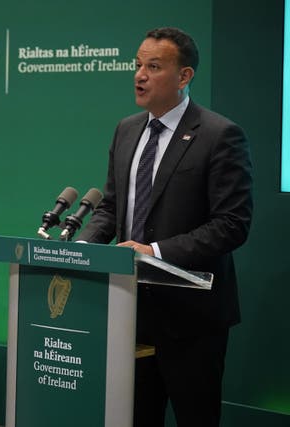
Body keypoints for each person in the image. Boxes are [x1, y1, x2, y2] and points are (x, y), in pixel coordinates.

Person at [76, 27, 253, 426]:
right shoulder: (126, 129)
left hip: (192, 320)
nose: (139, 74)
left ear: (184, 76)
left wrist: (154, 252)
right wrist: (82, 249)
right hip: (130, 311)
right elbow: (112, 206)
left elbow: (231, 225)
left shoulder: (219, 135)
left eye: (153, 67)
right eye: (138, 64)